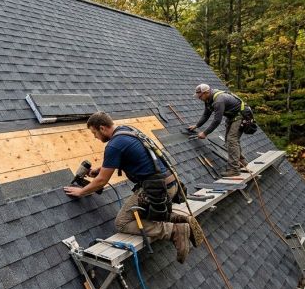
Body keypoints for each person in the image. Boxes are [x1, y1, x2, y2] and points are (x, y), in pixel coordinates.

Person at [63, 112, 203, 264]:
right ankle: (179, 218)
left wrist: (81, 191)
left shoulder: (114, 145)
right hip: (171, 184)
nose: (95, 137)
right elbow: (122, 160)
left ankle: (175, 231)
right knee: (140, 214)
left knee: (122, 222)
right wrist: (101, 168)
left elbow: (102, 181)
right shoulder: (127, 131)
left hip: (156, 189)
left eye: (94, 133)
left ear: (102, 128)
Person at [189, 84, 248, 177]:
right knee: (229, 141)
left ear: (206, 92)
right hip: (232, 117)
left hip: (241, 117)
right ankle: (242, 162)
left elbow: (217, 120)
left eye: (200, 96)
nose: (199, 98)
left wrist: (205, 133)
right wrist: (197, 125)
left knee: (231, 140)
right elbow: (206, 114)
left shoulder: (218, 100)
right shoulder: (208, 99)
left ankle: (234, 169)